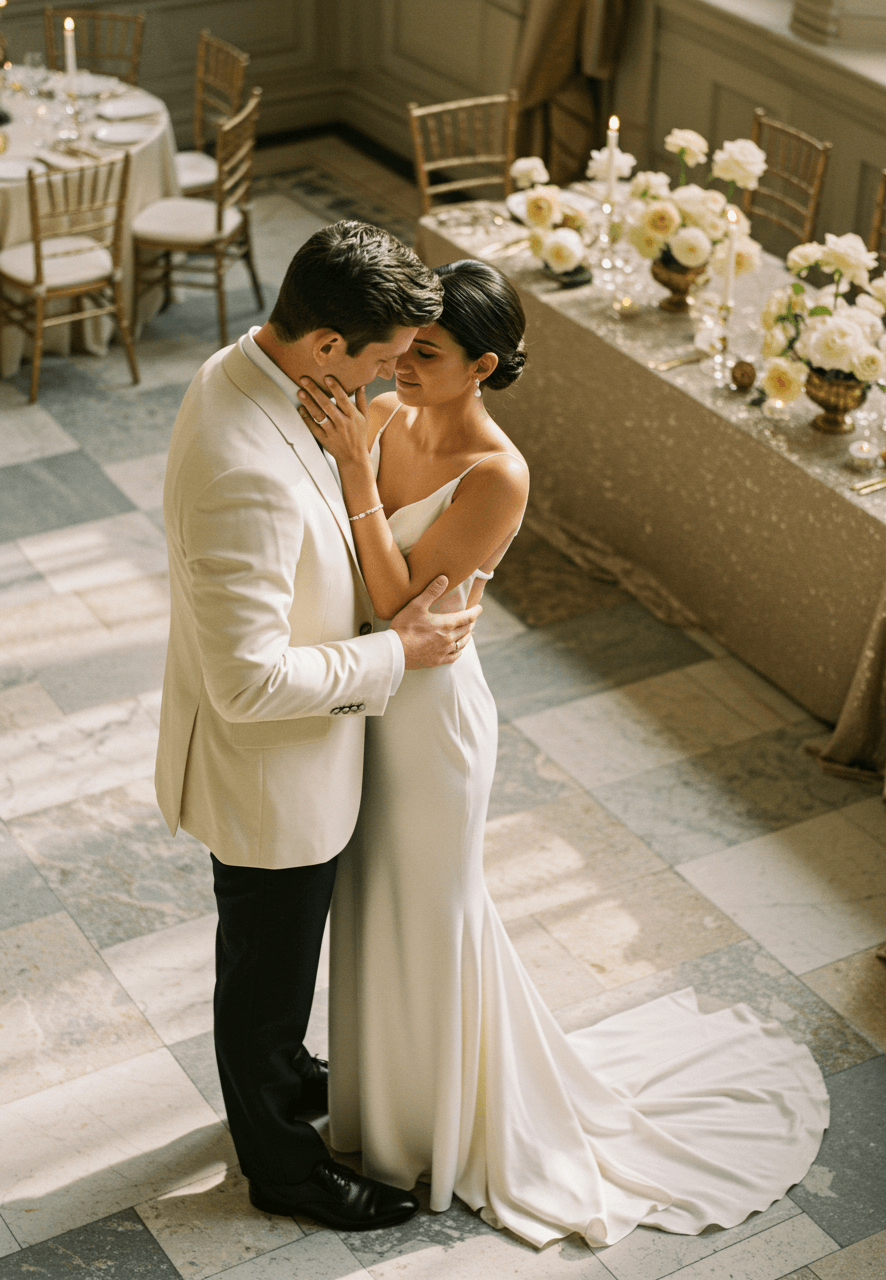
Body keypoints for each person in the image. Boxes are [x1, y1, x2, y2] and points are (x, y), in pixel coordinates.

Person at [297, 258, 830, 1250]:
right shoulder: (375, 417)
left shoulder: (496, 474)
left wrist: (353, 479)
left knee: (433, 911)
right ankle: (386, 1110)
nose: (402, 363)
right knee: (369, 902)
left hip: (433, 726)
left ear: (481, 364)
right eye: (402, 345)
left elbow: (393, 605)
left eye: (429, 352)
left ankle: (447, 1129)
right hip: (368, 704)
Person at [154, 222, 484, 1232]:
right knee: (261, 975)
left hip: (306, 754)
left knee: (276, 966)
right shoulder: (238, 464)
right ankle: (283, 1168)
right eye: (384, 356)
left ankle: (291, 1070)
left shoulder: (255, 364)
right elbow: (249, 681)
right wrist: (398, 654)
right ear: (327, 345)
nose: (392, 377)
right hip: (269, 773)